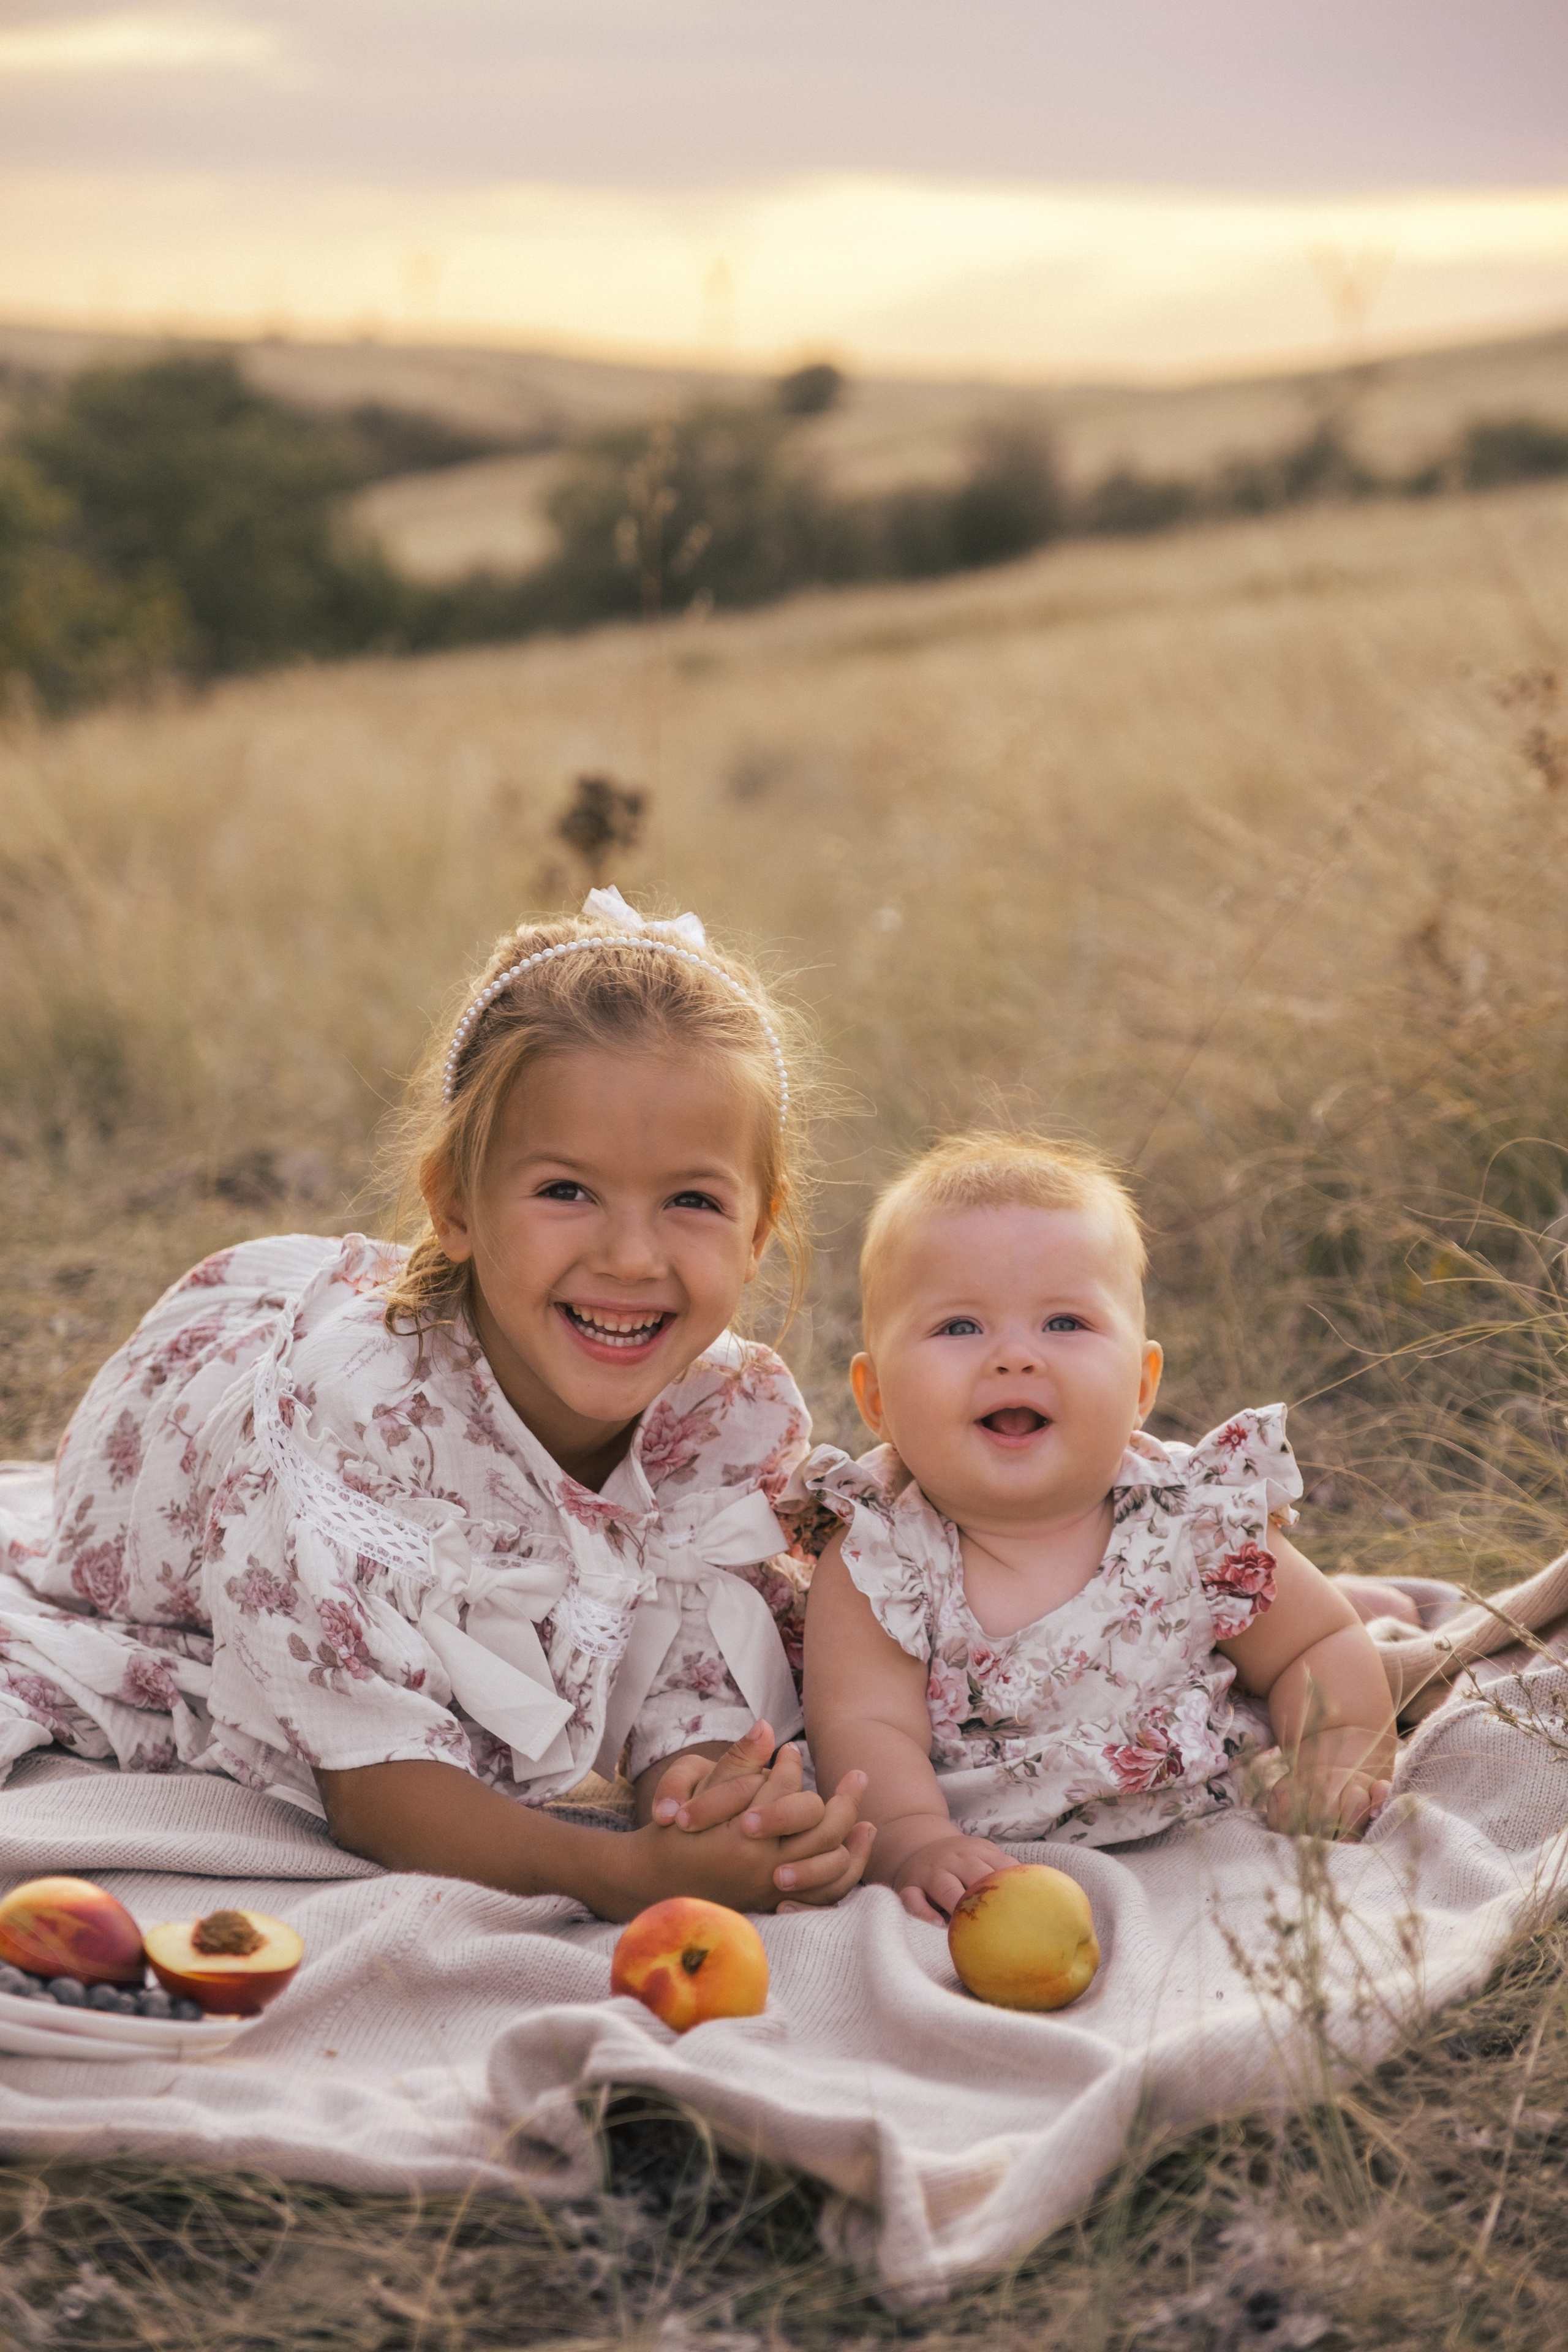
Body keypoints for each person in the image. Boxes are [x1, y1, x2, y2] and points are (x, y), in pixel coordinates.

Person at [0, 889, 872, 1921]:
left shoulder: (721, 1415)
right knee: (278, 1628)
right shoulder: (359, 1423)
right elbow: (373, 1783)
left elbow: (685, 1640)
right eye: (566, 1191)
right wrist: (624, 1877)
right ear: (455, 1206)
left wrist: (697, 1785)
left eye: (693, 1201)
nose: (633, 1256)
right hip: (188, 1443)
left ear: (757, 1232)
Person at [792, 1133, 1397, 1924]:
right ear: (876, 1399)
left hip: (1210, 1825)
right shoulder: (883, 1559)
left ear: (1142, 1384)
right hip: (991, 1858)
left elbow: (1313, 1643)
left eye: (1066, 1323)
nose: (1014, 1357)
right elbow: (864, 1724)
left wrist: (1336, 1743)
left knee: (1323, 1627)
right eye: (959, 1328)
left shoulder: (1191, 1519)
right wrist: (912, 1838)